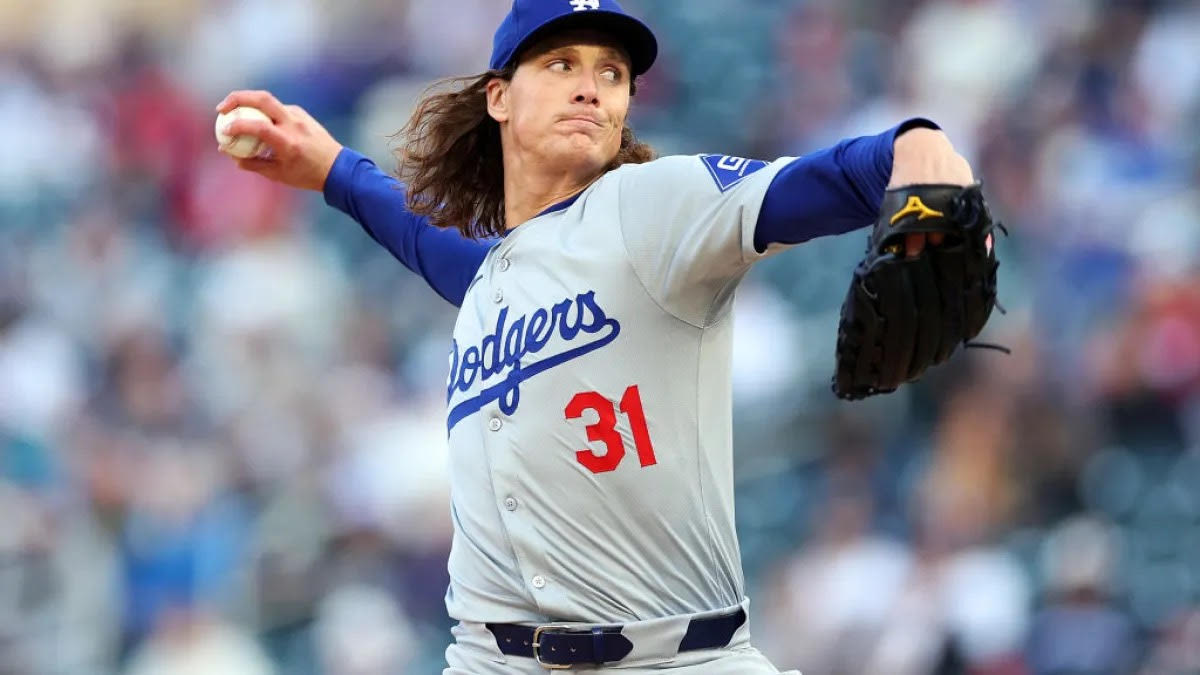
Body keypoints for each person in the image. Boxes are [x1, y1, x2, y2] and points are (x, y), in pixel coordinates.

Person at [215, 1, 973, 671]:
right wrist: (335, 172)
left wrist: (917, 144)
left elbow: (827, 179)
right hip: (489, 660)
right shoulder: (493, 280)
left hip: (678, 658)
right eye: (562, 63)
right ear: (500, 98)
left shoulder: (654, 208)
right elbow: (432, 246)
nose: (590, 84)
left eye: (611, 72)